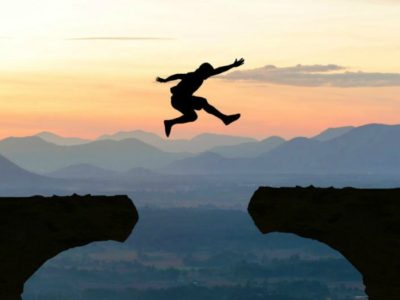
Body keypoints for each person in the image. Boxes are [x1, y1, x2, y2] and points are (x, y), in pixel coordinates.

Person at [156, 58, 245, 137]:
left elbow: (218, 70)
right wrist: (165, 80)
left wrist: (232, 65)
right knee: (202, 102)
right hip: (178, 100)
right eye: (207, 74)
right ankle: (225, 118)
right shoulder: (193, 76)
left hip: (182, 100)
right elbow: (178, 75)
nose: (208, 76)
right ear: (203, 72)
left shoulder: (201, 76)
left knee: (192, 117)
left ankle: (170, 123)